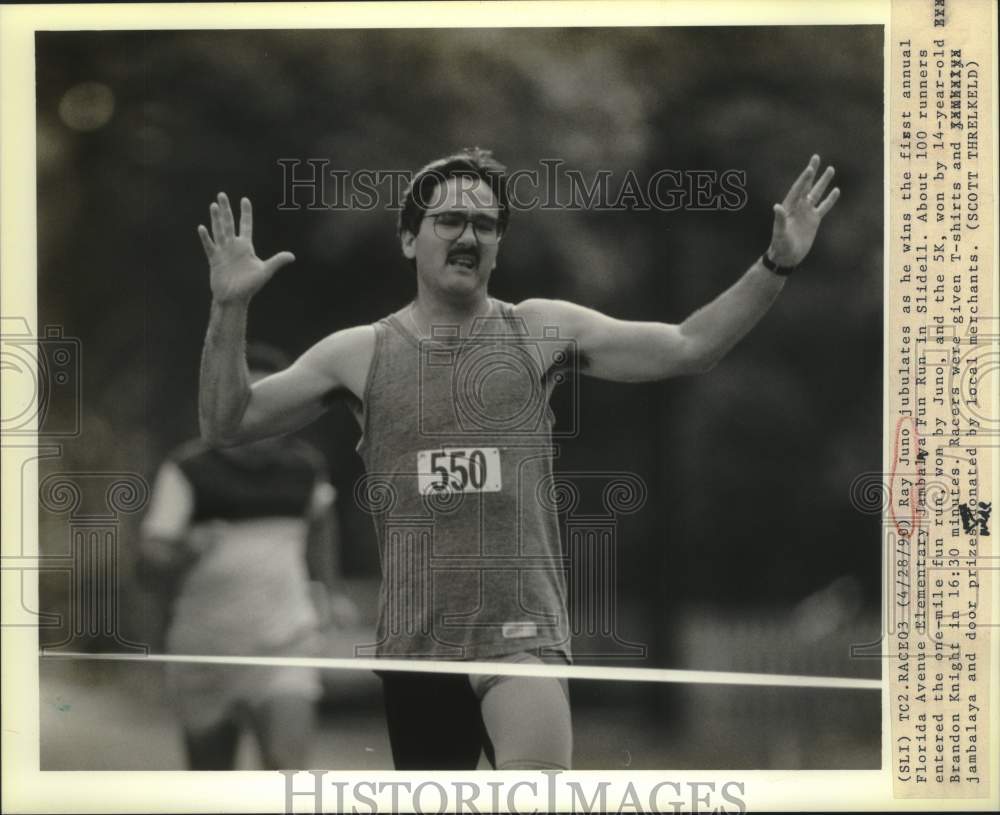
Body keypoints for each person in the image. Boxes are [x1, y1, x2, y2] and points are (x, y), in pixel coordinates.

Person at [195, 148, 839, 770]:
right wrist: (229, 306)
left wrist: (775, 264)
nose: (468, 234)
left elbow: (688, 345)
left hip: (522, 637)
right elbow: (228, 422)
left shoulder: (538, 330)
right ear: (409, 239)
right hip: (418, 650)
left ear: (499, 244)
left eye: (485, 223)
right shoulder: (358, 354)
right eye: (449, 219)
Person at [138, 343, 355, 770]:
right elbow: (150, 557)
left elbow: (321, 526)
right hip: (206, 652)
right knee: (213, 783)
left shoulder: (305, 469)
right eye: (246, 400)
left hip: (284, 645)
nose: (260, 414)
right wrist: (185, 550)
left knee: (288, 771)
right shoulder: (188, 469)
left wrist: (332, 590)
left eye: (270, 400)